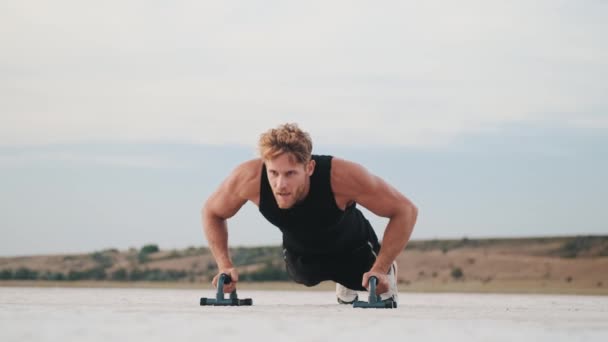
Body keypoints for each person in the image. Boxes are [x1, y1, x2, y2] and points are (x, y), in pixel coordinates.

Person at [202, 123, 418, 304]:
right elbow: (212, 212)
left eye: (290, 174)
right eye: (273, 173)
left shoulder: (342, 177)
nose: (280, 184)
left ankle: (379, 271)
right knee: (303, 276)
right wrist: (225, 265)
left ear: (309, 168)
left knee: (363, 279)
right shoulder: (248, 179)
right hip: (302, 254)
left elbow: (405, 210)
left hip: (353, 248)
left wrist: (379, 268)